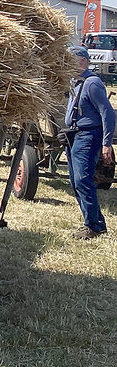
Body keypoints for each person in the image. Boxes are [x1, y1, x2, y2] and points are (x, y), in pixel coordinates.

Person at [63, 46, 114, 240]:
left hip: (88, 135)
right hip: (74, 135)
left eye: (72, 59)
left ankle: (96, 226)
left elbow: (107, 113)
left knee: (83, 180)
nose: (68, 63)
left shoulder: (92, 83)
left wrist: (106, 143)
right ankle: (91, 222)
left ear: (83, 60)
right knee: (76, 182)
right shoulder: (74, 81)